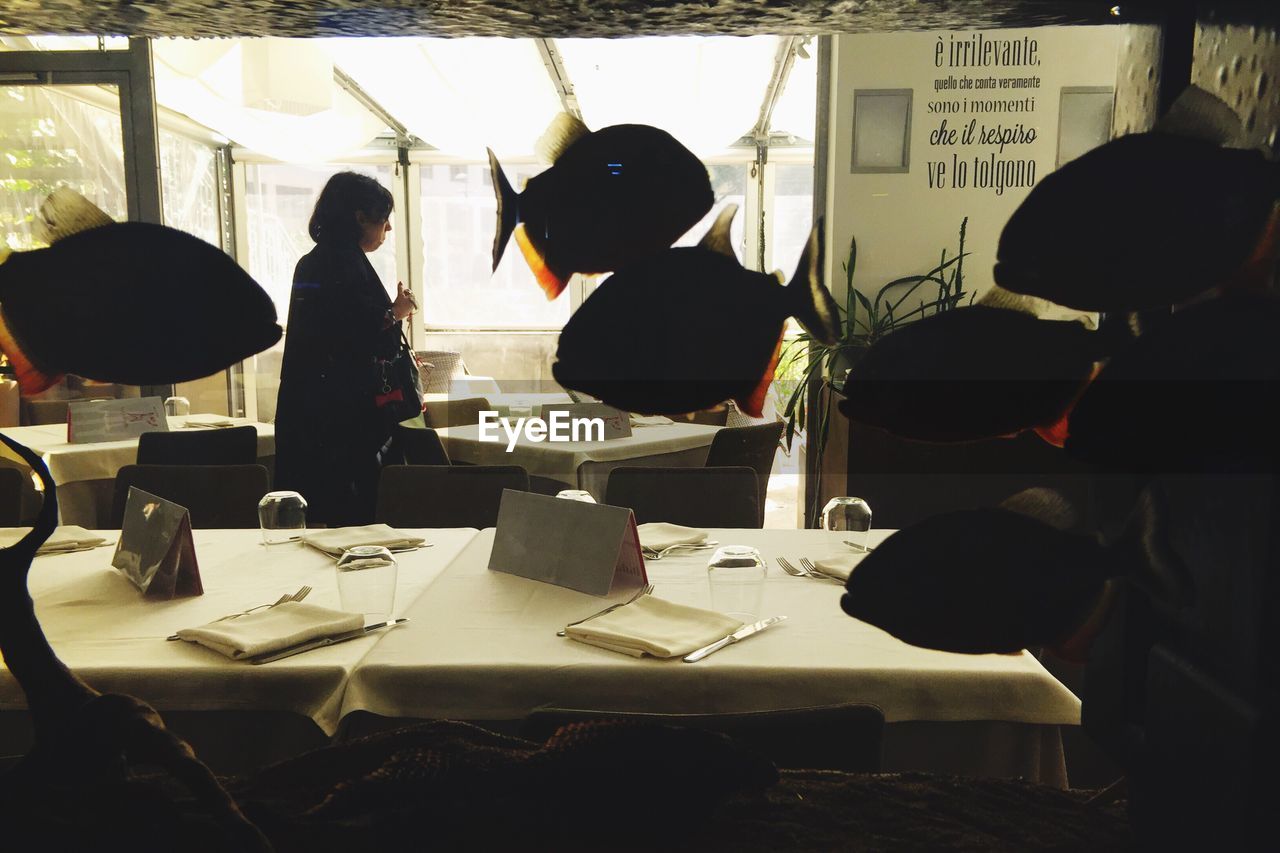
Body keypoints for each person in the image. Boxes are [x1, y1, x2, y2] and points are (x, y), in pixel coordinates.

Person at [274, 171, 416, 527]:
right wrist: (397, 311)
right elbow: (358, 335)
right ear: (359, 218)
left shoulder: (313, 261)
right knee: (351, 516)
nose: (388, 229)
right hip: (343, 418)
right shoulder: (345, 263)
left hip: (307, 409)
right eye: (384, 220)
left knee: (318, 512)